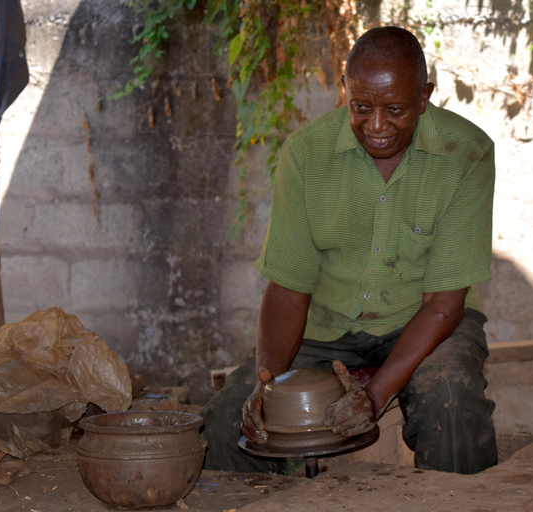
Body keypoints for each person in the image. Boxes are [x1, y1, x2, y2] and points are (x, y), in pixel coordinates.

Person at [201, 26, 497, 474]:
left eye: (395, 109)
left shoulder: (466, 154)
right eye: (361, 107)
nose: (376, 126)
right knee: (231, 423)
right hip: (324, 328)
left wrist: (374, 397)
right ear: (345, 92)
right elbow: (286, 293)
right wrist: (268, 383)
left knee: (453, 399)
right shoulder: (305, 155)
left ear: (424, 97)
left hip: (425, 321)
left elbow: (442, 305)